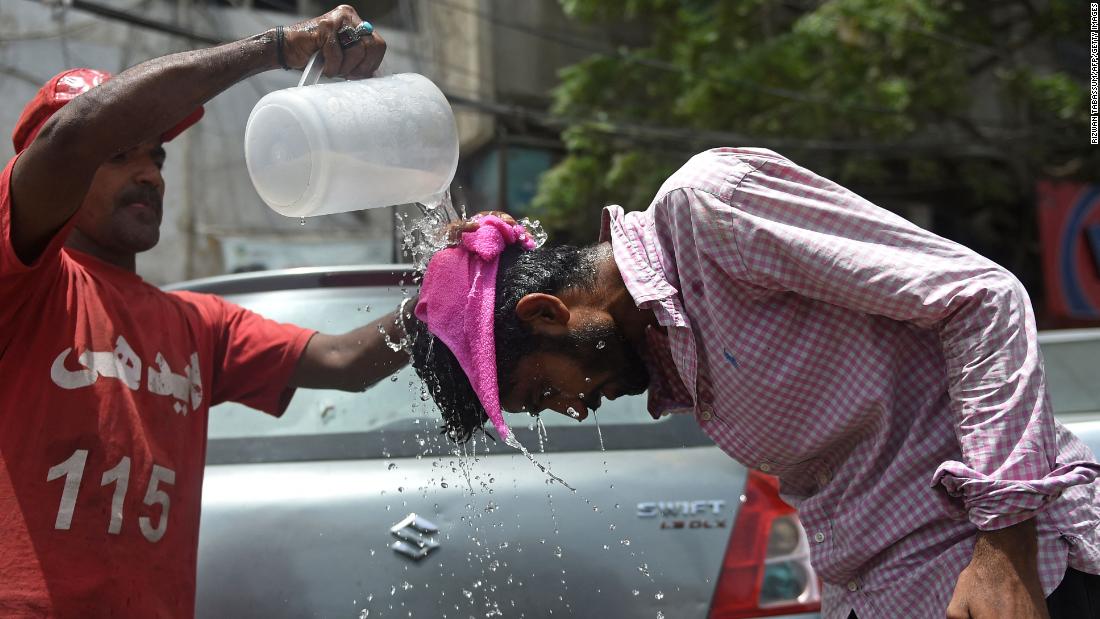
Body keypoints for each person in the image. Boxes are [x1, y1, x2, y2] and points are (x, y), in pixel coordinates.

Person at [410, 147, 1100, 618]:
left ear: (547, 311)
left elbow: (982, 297)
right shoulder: (668, 352)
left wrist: (1003, 548)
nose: (568, 406)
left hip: (1020, 577)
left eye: (541, 390)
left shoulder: (710, 211)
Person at [0, 7, 414, 617]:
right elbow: (72, 137)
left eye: (158, 158)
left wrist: (456, 291)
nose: (149, 174)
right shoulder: (25, 282)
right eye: (120, 156)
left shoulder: (198, 324)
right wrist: (276, 48)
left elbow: (346, 360)